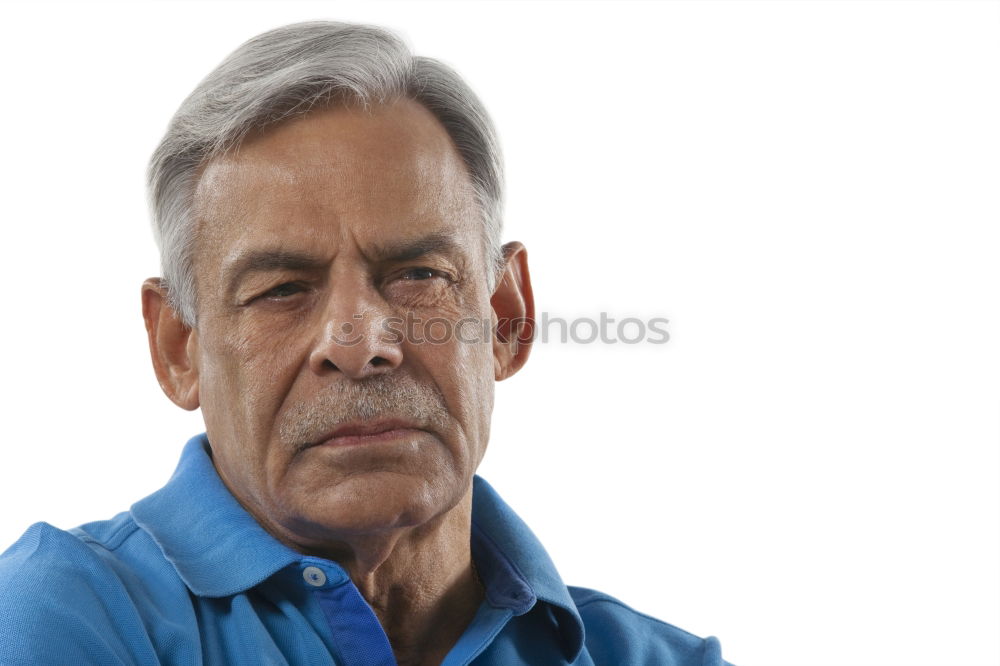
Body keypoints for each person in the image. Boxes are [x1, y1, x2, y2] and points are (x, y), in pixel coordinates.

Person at [0, 21, 732, 666]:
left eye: (418, 274)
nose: (360, 345)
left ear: (506, 317)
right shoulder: (59, 617)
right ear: (177, 349)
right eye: (281, 289)